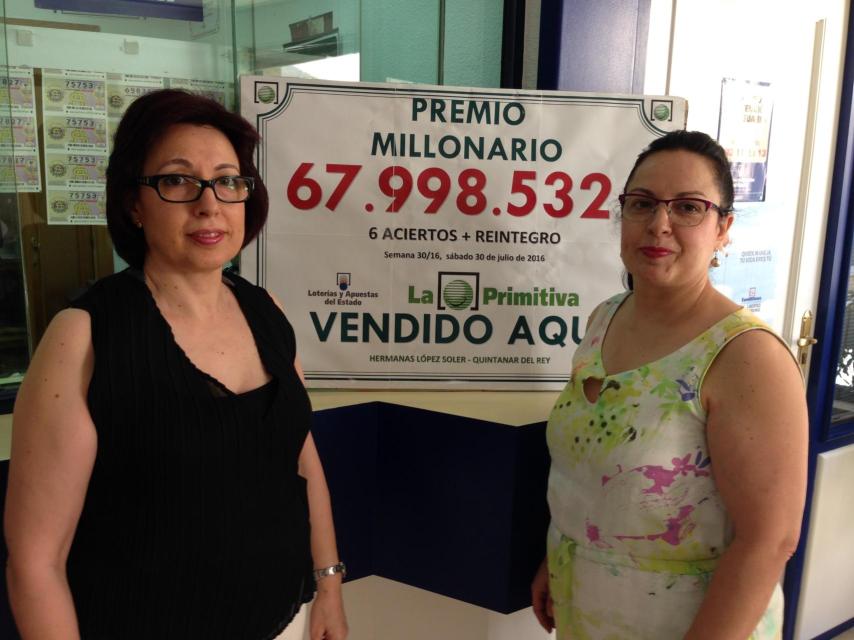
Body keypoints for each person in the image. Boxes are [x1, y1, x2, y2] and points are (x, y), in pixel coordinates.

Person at [4, 89, 348, 640]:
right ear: (134, 204)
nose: (209, 204)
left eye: (227, 181)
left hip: (287, 619)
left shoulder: (267, 311)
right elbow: (35, 563)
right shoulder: (86, 336)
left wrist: (328, 584)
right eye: (177, 180)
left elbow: (301, 459)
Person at [531, 130, 807, 639]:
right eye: (642, 204)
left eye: (688, 208)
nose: (659, 224)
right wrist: (563, 554)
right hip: (586, 612)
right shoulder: (604, 319)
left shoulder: (747, 356)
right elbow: (586, 472)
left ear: (723, 229)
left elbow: (769, 542)